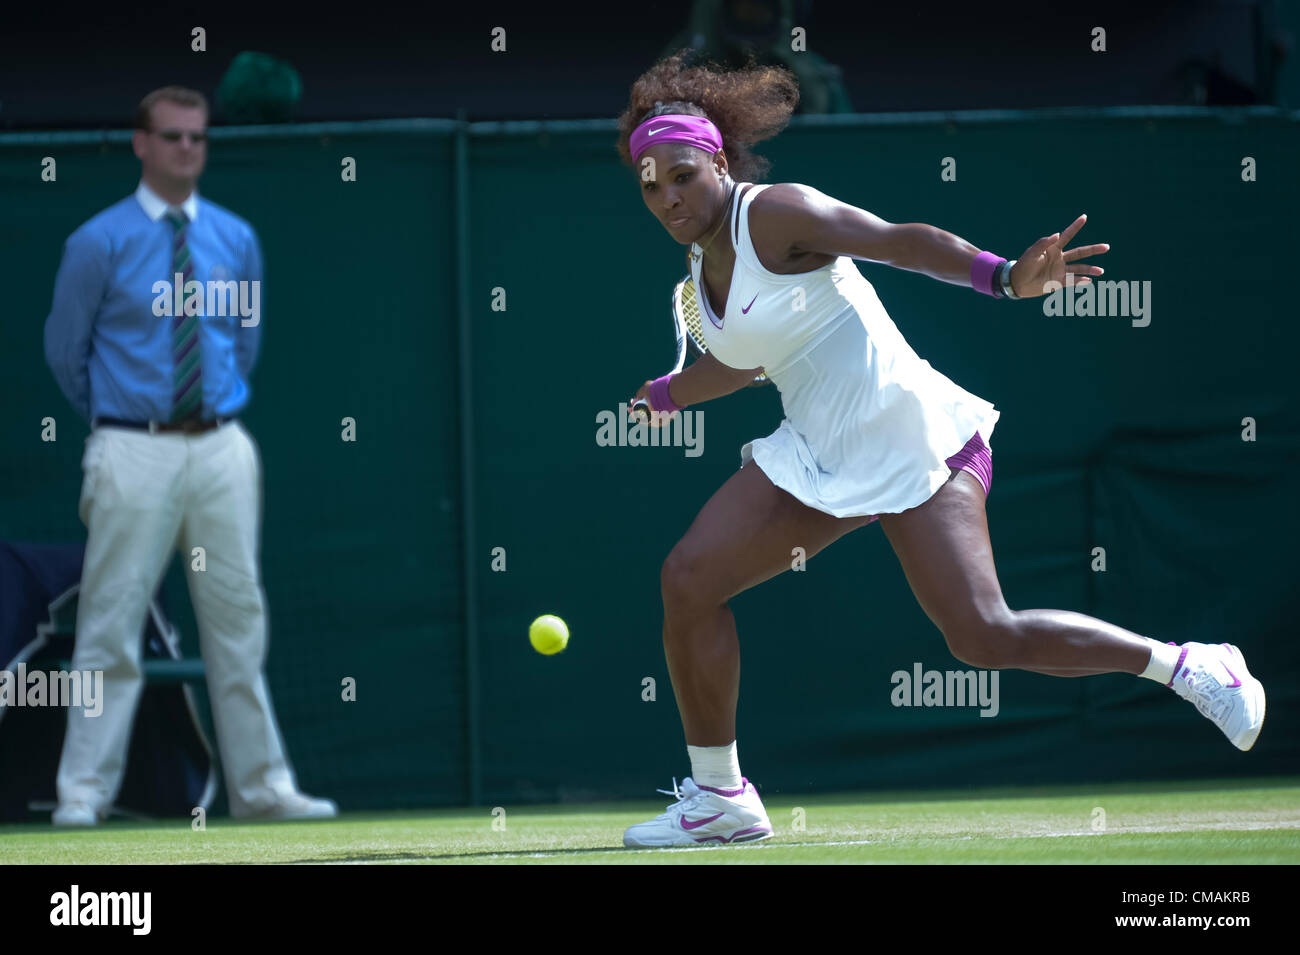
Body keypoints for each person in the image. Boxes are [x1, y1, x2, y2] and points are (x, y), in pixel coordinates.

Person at [616, 51, 1266, 848]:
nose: (668, 196)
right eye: (650, 184)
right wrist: (668, 394)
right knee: (688, 580)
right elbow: (746, 359)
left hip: (914, 434)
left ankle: (1191, 665)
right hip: (818, 454)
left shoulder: (776, 213)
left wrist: (1002, 278)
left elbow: (897, 240)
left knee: (983, 634)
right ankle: (721, 797)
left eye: (680, 174)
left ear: (717, 159)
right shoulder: (699, 267)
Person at [43, 86, 336, 825]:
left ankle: (263, 790)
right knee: (109, 622)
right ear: (140, 142)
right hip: (129, 448)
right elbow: (66, 353)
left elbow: (244, 344)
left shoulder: (235, 238)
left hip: (220, 447)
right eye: (171, 136)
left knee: (239, 620)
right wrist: (121, 423)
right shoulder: (96, 242)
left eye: (196, 138)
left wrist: (200, 416)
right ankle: (83, 795)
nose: (185, 149)